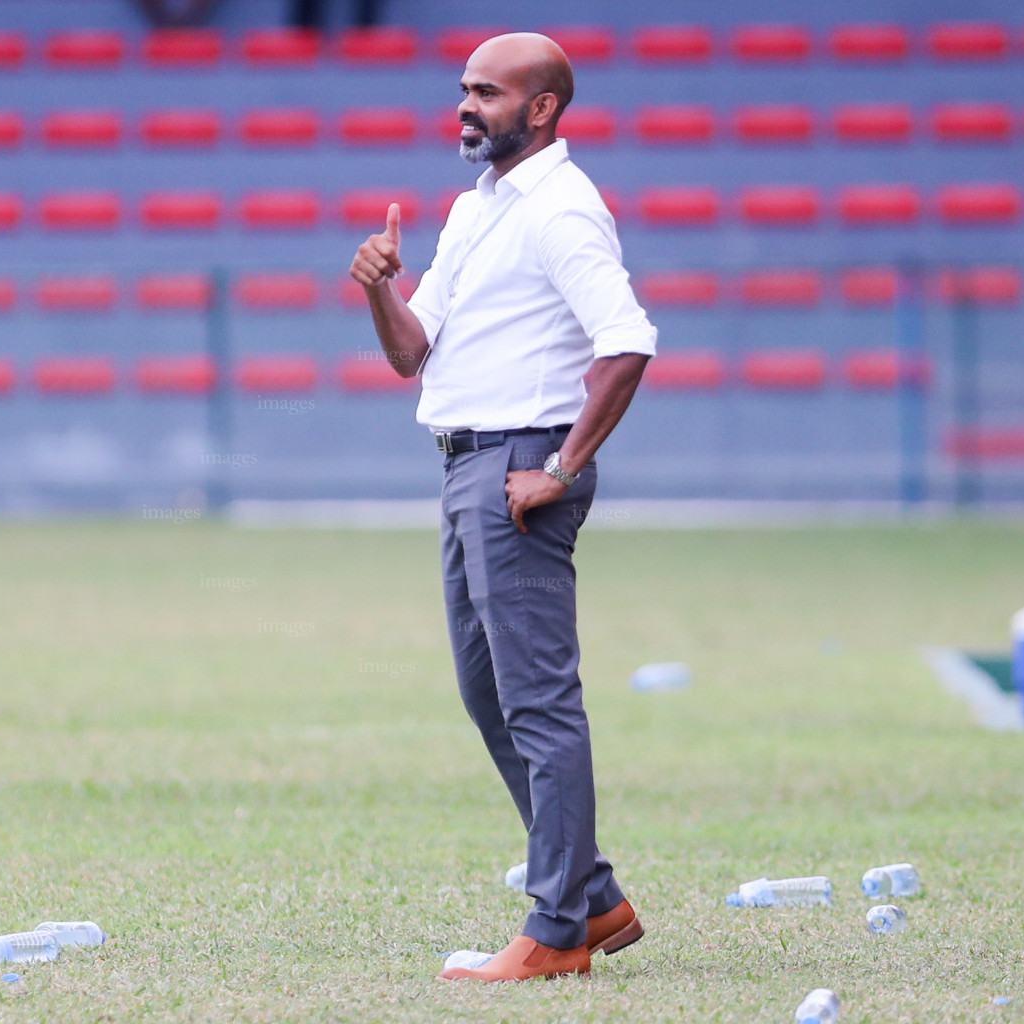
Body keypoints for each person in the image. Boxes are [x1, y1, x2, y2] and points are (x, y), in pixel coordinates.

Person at [350, 32, 657, 983]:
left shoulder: (563, 209)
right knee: (487, 695)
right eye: (463, 89)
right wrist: (381, 287)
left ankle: (558, 927)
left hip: (520, 468)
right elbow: (413, 352)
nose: (465, 105)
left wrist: (561, 467)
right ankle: (595, 896)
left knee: (537, 702)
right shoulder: (476, 207)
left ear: (542, 108)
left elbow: (627, 341)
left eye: (487, 92)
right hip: (464, 465)